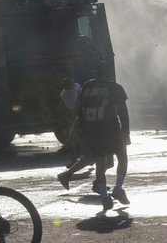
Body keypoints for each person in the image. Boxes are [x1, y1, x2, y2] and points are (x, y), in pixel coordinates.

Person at [56, 62, 131, 211]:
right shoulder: (114, 87)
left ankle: (104, 197)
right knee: (122, 157)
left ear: (95, 73)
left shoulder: (86, 87)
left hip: (91, 130)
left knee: (100, 163)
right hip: (110, 129)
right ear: (108, 73)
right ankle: (117, 189)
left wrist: (83, 131)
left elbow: (78, 111)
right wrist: (126, 132)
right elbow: (122, 111)